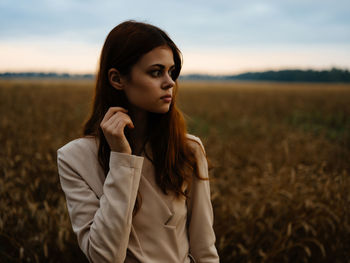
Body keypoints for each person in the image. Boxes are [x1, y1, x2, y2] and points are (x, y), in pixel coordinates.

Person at [57, 20, 219, 263]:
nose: (170, 82)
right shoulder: (74, 158)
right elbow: (104, 257)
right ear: (117, 79)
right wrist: (122, 159)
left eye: (171, 72)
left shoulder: (188, 149)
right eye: (156, 72)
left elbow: (205, 250)